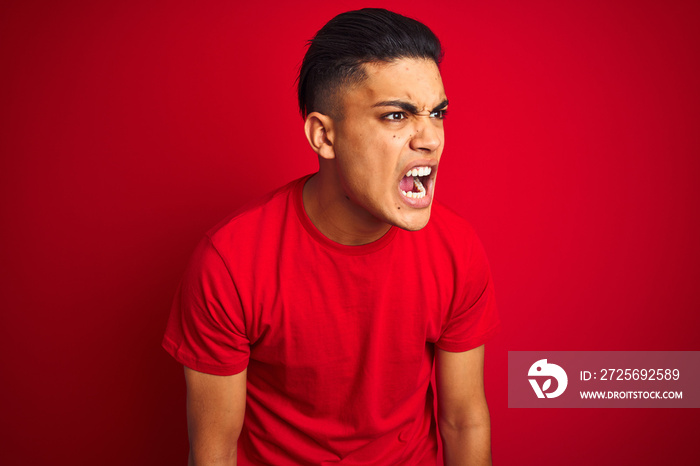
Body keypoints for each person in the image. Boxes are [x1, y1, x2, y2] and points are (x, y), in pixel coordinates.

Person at [163, 8, 499, 465]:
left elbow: (464, 420)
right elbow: (214, 450)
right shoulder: (230, 262)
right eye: (397, 115)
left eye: (437, 113)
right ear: (324, 135)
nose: (431, 138)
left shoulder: (456, 248)